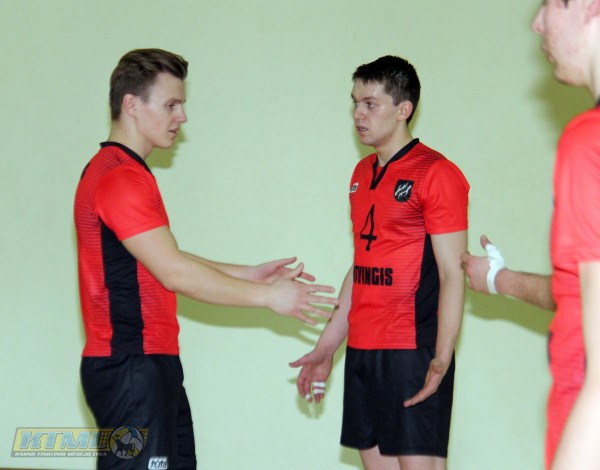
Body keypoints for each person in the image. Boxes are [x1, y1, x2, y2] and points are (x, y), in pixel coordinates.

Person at [74, 48, 338, 470]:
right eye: (171, 105)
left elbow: (164, 258)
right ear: (132, 105)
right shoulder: (119, 178)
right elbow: (174, 273)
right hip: (131, 367)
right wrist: (268, 297)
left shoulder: (126, 172)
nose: (181, 117)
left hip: (149, 366)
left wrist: (249, 275)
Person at [290, 55, 469, 470]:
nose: (358, 114)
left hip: (412, 351)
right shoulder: (361, 173)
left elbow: (452, 273)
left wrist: (442, 355)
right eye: (355, 103)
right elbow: (362, 267)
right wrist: (327, 348)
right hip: (362, 350)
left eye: (370, 104)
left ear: (403, 109)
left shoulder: (436, 173)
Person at [461, 1, 600, 468]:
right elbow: (582, 294)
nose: (537, 23)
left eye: (549, 3)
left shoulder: (588, 143)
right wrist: (499, 279)